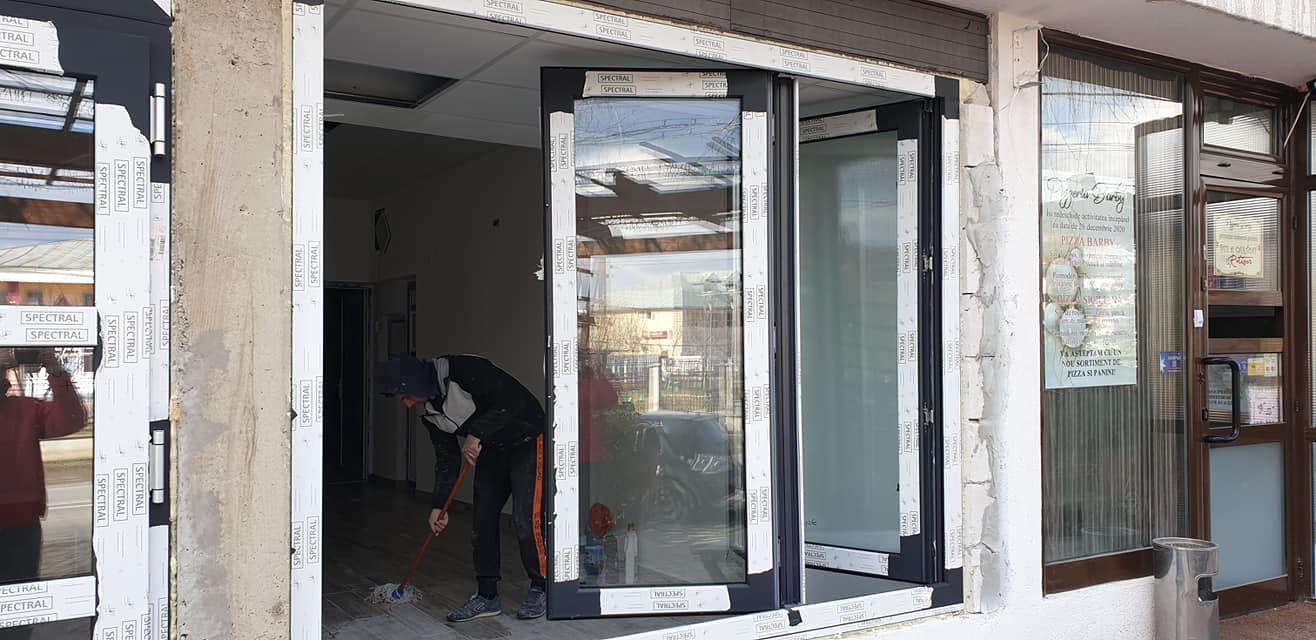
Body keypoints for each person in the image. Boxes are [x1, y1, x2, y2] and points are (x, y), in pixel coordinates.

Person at [378, 354, 547, 622]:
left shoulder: (464, 369)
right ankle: (487, 596)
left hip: (527, 438)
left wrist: (476, 432)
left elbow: (512, 401)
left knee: (525, 519)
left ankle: (542, 587)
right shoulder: (431, 415)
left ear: (415, 382)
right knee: (481, 520)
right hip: (492, 449)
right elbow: (447, 460)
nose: (408, 405)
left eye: (405, 397)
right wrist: (438, 505)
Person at [0, 348, 86, 640]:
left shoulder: (25, 409)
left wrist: (56, 371)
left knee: (19, 610)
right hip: (22, 524)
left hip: (22, 528)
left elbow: (72, 419)